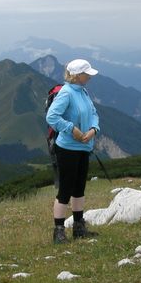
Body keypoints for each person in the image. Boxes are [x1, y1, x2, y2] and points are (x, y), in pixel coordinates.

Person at [45, 58, 101, 244]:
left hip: (84, 147)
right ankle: (59, 231)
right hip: (67, 149)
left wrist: (93, 130)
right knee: (66, 190)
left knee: (79, 188)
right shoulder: (67, 93)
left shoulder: (83, 91)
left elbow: (93, 113)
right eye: (87, 74)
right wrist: (71, 129)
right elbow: (52, 116)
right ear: (78, 76)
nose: (90, 77)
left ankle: (79, 228)